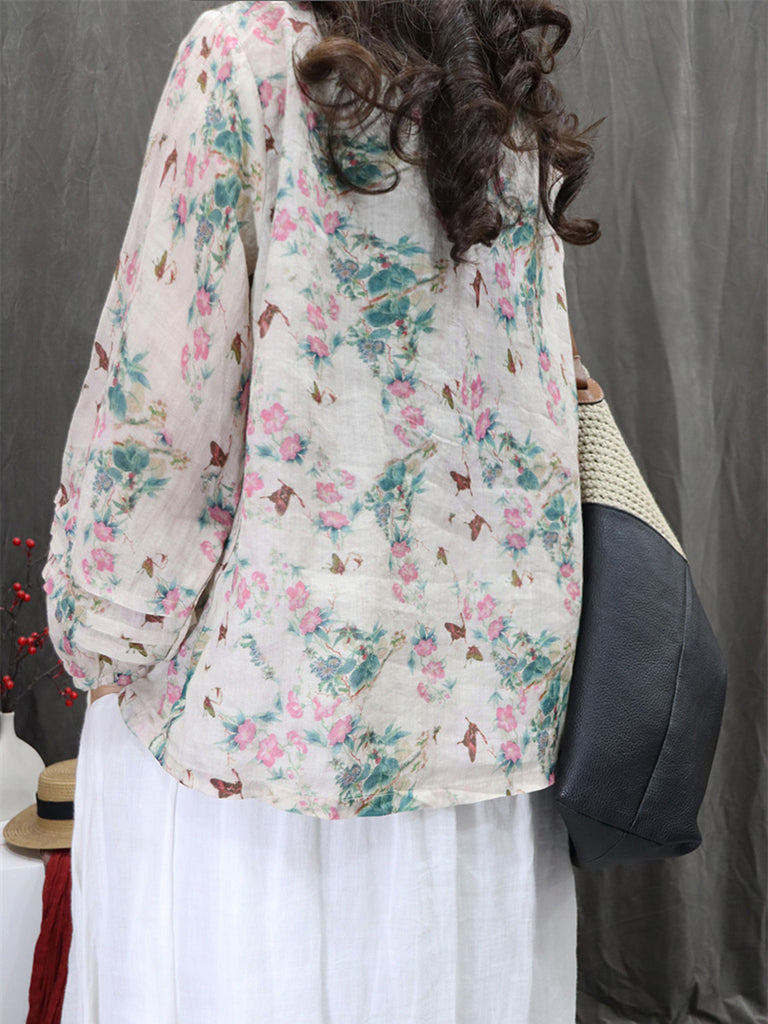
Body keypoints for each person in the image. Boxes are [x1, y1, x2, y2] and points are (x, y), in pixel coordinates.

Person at [43, 1, 602, 1020]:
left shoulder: (250, 59)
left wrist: (98, 629)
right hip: (482, 776)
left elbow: (162, 417)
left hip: (259, 776)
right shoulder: (508, 108)